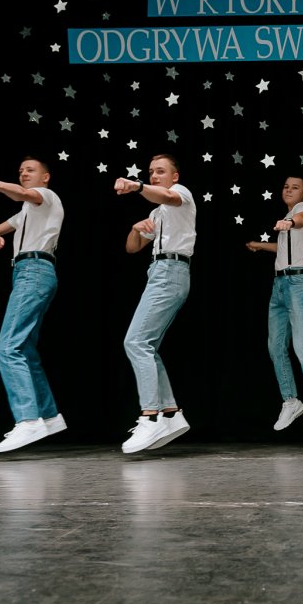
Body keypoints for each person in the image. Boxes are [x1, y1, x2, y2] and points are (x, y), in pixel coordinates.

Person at [0, 157, 66, 453]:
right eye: (20, 171)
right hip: (27, 273)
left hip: (35, 271)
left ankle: (28, 420)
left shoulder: (46, 197)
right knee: (25, 349)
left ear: (46, 177)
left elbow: (25, 194)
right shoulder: (26, 213)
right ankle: (49, 416)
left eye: (30, 170)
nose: (24, 174)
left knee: (8, 347)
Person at [115, 154, 196, 454]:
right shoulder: (157, 212)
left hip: (171, 272)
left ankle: (151, 417)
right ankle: (171, 414)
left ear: (175, 176)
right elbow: (132, 248)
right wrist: (135, 229)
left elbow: (167, 196)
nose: (154, 176)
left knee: (135, 342)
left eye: (161, 171)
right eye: (151, 172)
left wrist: (136, 186)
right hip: (159, 271)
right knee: (146, 346)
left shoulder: (181, 194)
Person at [244, 176, 303, 441]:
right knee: (275, 346)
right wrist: (261, 246)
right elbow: (284, 247)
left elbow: (301, 219)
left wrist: (291, 222)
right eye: (285, 186)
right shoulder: (287, 217)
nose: (289, 190)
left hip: (300, 283)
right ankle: (292, 401)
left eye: (295, 187)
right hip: (280, 285)